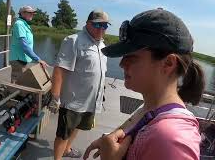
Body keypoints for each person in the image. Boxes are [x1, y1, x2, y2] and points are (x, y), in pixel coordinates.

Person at [83, 8, 205, 160]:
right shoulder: (150, 109)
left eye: (132, 57)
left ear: (168, 63)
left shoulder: (171, 139)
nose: (122, 64)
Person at [50, 9, 110, 159]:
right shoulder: (73, 40)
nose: (101, 29)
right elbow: (59, 70)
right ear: (88, 23)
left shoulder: (102, 45)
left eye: (105, 26)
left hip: (90, 101)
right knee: (63, 134)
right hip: (73, 100)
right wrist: (55, 97)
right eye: (98, 25)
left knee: (78, 127)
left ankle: (67, 150)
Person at [10, 5, 48, 83]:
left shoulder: (24, 24)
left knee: (21, 83)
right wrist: (38, 60)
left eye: (33, 13)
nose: (32, 15)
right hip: (18, 60)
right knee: (16, 84)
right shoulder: (19, 24)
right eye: (30, 13)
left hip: (22, 59)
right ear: (22, 13)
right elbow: (25, 46)